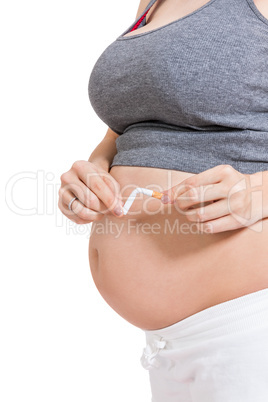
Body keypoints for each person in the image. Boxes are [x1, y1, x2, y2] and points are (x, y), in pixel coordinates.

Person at [58, 0, 268, 400]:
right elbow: (128, 127)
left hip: (251, 323)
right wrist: (95, 170)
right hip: (169, 347)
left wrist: (262, 192)